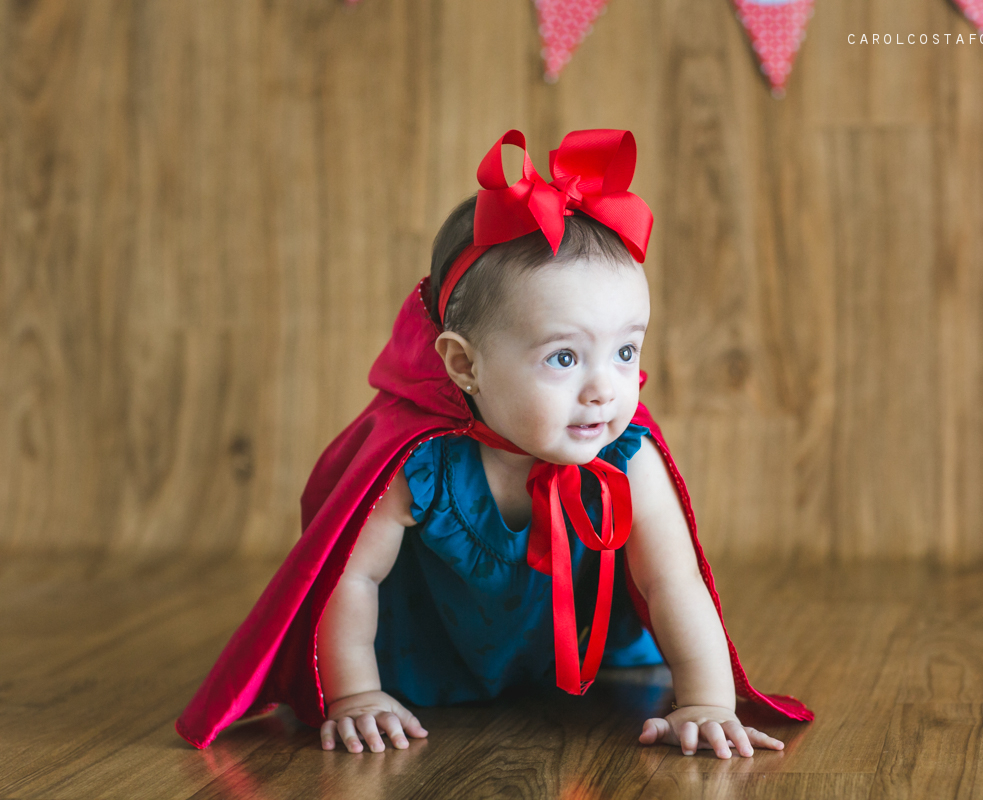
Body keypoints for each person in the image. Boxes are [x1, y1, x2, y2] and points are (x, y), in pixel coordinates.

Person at [176, 129, 811, 759]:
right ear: (464, 365)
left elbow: (675, 579)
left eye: (625, 351)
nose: (605, 390)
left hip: (569, 656)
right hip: (428, 659)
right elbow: (352, 579)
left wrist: (705, 702)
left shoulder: (627, 454)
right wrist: (354, 696)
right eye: (564, 356)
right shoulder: (421, 464)